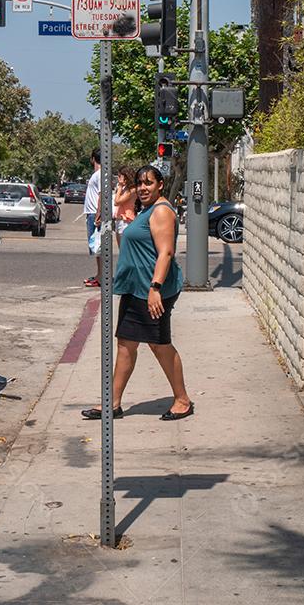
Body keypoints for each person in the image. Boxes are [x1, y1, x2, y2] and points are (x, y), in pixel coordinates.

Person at [81, 164, 194, 422]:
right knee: (126, 345)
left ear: (160, 185)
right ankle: (112, 403)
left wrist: (154, 288)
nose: (143, 188)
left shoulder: (162, 211)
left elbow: (166, 253)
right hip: (136, 288)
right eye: (140, 183)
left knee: (159, 344)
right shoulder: (147, 210)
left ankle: (182, 400)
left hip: (152, 289)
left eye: (149, 183)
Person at [83, 149, 101, 288]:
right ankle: (99, 275)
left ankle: (101, 277)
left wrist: (98, 214)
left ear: (93, 159)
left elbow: (102, 195)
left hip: (94, 214)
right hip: (92, 213)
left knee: (98, 247)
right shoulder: (97, 174)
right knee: (96, 247)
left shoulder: (100, 175)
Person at [113, 165, 136, 246]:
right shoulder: (125, 188)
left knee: (125, 248)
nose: (118, 179)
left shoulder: (132, 189)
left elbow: (117, 201)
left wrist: (119, 186)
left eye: (120, 176)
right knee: (121, 249)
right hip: (119, 220)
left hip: (127, 221)